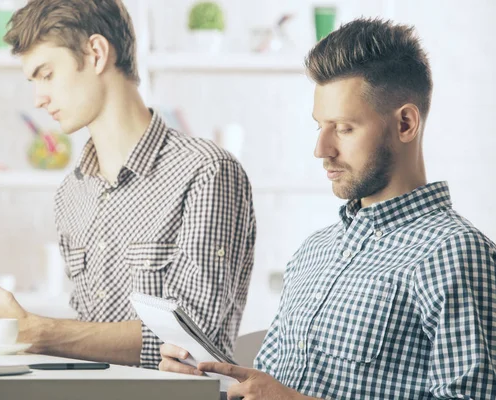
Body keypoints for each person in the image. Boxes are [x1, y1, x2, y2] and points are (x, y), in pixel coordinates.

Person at [0, 0, 256, 370]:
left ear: (96, 53)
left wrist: (34, 332)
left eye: (46, 74)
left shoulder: (207, 172)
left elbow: (192, 338)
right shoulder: (72, 194)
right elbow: (91, 339)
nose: (38, 98)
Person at [160, 18, 496, 399]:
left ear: (405, 123)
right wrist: (211, 378)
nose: (321, 149)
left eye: (344, 128)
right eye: (320, 126)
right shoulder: (313, 252)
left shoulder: (455, 253)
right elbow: (271, 388)